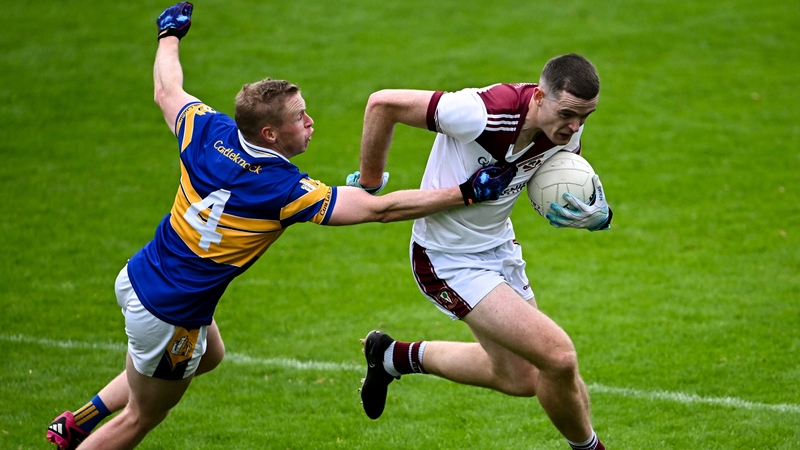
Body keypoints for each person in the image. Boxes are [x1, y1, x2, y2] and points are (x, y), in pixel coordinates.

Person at [45, 3, 516, 450]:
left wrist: (169, 33)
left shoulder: (206, 129)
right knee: (143, 417)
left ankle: (80, 418)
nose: (311, 122)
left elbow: (167, 90)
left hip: (139, 276)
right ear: (270, 134)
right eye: (299, 119)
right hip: (170, 313)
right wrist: (467, 192)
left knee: (208, 355)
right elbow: (380, 210)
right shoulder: (284, 190)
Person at [350, 54, 612, 450]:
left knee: (521, 379)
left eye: (586, 117)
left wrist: (594, 213)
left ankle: (391, 357)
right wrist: (369, 184)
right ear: (539, 97)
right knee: (558, 358)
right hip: (447, 259)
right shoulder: (481, 113)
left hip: (498, 247)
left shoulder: (564, 131)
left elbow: (560, 178)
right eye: (569, 113)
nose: (575, 126)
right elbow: (382, 103)